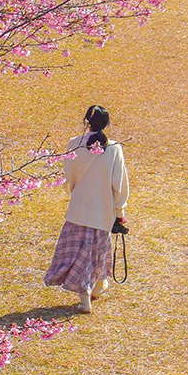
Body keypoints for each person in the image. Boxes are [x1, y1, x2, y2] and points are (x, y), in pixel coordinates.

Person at [44, 105, 129, 313]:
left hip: (78, 210)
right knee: (97, 253)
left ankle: (86, 296)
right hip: (103, 212)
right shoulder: (115, 148)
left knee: (79, 255)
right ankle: (96, 289)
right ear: (107, 124)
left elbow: (68, 178)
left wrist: (74, 188)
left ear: (86, 122)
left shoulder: (75, 144)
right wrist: (120, 212)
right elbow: (119, 184)